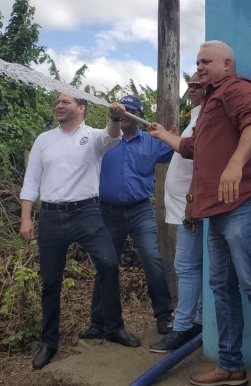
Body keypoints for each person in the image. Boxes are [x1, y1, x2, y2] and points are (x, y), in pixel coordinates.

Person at [147, 41, 251, 386]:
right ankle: (231, 365)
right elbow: (190, 148)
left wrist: (235, 164)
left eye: (206, 61)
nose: (199, 66)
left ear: (228, 64)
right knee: (221, 286)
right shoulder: (207, 107)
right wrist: (162, 136)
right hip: (216, 210)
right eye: (197, 61)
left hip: (248, 200)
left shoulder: (237, 88)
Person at [20, 93, 140, 370]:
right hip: (50, 216)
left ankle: (113, 327)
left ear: (81, 108)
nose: (59, 106)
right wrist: (26, 218)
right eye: (58, 102)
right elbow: (31, 181)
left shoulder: (94, 136)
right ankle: (49, 342)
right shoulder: (44, 140)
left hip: (86, 213)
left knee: (109, 264)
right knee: (50, 282)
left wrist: (114, 117)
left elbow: (112, 137)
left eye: (65, 102)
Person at [79, 94, 174, 341]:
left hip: (140, 210)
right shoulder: (106, 140)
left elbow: (183, 152)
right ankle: (97, 323)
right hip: (108, 212)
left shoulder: (152, 142)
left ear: (139, 116)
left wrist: (173, 136)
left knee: (152, 258)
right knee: (106, 264)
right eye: (121, 110)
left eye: (130, 110)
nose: (124, 115)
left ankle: (164, 315)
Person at [149, 73, 205, 353]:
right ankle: (198, 322)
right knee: (196, 267)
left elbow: (194, 154)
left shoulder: (206, 115)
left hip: (191, 207)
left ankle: (184, 328)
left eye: (197, 84)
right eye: (190, 84)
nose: (191, 88)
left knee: (187, 266)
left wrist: (165, 135)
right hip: (188, 206)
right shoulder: (197, 115)